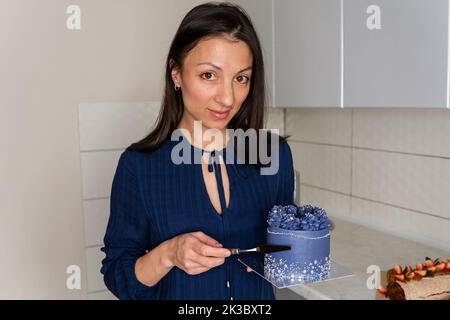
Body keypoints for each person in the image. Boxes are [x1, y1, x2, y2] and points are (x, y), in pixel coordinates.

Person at [100, 1, 294, 300]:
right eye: (209, 75)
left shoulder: (274, 155)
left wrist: (302, 243)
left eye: (241, 78)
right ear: (176, 74)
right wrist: (169, 254)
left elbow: (284, 251)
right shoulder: (138, 166)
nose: (227, 97)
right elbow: (119, 276)